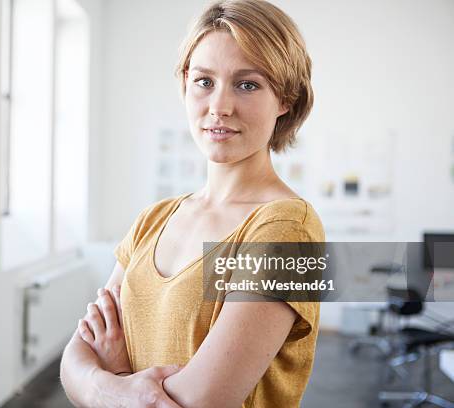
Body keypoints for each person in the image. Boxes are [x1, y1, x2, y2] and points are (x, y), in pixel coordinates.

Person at [60, 0, 324, 406]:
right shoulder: (155, 219)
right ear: (185, 84)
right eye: (204, 81)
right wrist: (108, 386)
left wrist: (111, 377)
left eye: (247, 84)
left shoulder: (287, 229)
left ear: (285, 98)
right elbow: (75, 357)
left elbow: (201, 402)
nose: (219, 106)